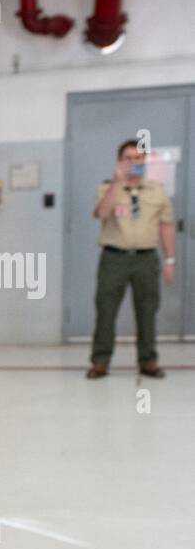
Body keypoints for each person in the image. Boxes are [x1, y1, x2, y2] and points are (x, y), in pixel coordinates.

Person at [88, 139, 177, 379]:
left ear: (144, 161)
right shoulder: (108, 188)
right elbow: (102, 213)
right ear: (120, 162)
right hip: (114, 258)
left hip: (146, 259)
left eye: (138, 158)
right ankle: (100, 362)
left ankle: (148, 361)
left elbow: (166, 225)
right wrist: (118, 182)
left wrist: (170, 260)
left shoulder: (157, 191)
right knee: (106, 310)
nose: (134, 162)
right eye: (129, 158)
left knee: (147, 311)